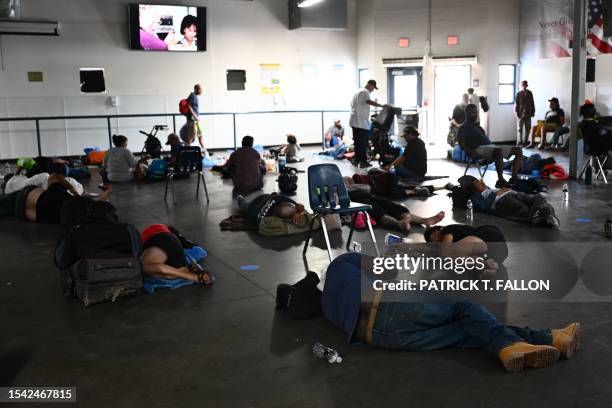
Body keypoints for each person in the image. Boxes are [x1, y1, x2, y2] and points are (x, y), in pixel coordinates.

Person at [322, 252, 581, 373]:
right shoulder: (342, 261)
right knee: (463, 307)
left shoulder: (326, 306)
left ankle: (548, 339)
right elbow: (387, 270)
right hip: (387, 302)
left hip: (380, 338)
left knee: (465, 330)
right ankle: (516, 344)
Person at [0, 174, 111, 223]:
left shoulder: (59, 193)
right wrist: (107, 192)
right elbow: (101, 202)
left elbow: (54, 176)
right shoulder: (78, 215)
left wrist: (73, 191)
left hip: (25, 196)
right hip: (24, 214)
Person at [458, 104, 523, 188]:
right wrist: (471, 151)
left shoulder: (478, 127)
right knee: (497, 151)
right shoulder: (463, 128)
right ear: (467, 113)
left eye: (476, 112)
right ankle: (501, 180)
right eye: (473, 112)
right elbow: (462, 145)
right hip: (477, 149)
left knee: (518, 150)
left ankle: (514, 178)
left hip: (490, 146)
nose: (475, 114)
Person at [461, 175, 560, 228]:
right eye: (478, 183)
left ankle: (538, 215)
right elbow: (482, 206)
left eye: (480, 181)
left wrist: (506, 190)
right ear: (473, 188)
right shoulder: (476, 196)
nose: (482, 182)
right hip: (501, 200)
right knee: (523, 209)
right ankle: (546, 215)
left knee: (539, 198)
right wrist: (498, 193)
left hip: (514, 194)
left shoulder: (489, 188)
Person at [345, 185, 445, 232]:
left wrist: (351, 185)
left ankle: (425, 220)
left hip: (368, 196)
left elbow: (367, 188)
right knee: (376, 210)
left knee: (393, 206)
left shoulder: (346, 183)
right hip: (351, 200)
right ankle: (399, 224)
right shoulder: (334, 189)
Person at [140, 224, 213, 285]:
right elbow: (187, 244)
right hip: (177, 252)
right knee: (152, 272)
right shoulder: (170, 231)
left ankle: (190, 276)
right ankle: (185, 270)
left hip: (160, 241)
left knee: (143, 266)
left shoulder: (154, 228)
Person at [425, 224, 508, 270]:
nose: (437, 239)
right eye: (435, 241)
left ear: (439, 229)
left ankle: (485, 264)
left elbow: (446, 251)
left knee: (449, 254)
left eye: (436, 235)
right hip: (499, 253)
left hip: (489, 235)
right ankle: (487, 265)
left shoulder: (446, 230)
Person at [350, 80, 386, 169]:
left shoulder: (357, 92)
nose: (373, 90)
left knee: (358, 143)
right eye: (373, 88)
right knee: (363, 143)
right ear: (370, 85)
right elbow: (368, 101)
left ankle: (356, 160)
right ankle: (363, 162)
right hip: (361, 123)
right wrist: (381, 106)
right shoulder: (365, 92)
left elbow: (353, 104)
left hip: (354, 122)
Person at [182, 84, 205, 149]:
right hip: (192, 121)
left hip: (195, 121)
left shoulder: (195, 96)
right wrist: (195, 116)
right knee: (190, 137)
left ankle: (204, 150)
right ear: (196, 89)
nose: (201, 91)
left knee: (200, 135)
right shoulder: (193, 95)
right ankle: (187, 151)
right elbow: (188, 106)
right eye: (200, 89)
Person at [515, 80, 536, 146]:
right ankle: (519, 141)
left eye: (525, 85)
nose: (524, 86)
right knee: (519, 129)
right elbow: (516, 104)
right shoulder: (518, 94)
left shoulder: (530, 93)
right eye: (523, 85)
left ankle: (525, 141)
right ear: (521, 86)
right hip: (520, 113)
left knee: (528, 128)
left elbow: (532, 103)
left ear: (527, 85)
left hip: (528, 113)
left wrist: (533, 111)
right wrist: (517, 113)